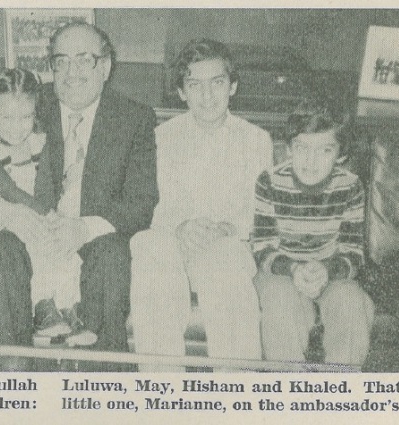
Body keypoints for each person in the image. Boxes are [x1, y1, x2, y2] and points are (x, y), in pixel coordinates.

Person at [0, 23, 158, 371]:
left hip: (91, 235)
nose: (71, 73)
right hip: (27, 227)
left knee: (112, 250)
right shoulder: (27, 102)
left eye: (84, 60)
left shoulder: (133, 118)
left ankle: (101, 383)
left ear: (105, 67)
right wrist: (3, 210)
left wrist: (84, 228)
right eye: (61, 61)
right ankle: (10, 378)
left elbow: (141, 202)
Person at [130, 38, 272, 371]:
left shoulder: (255, 139)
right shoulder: (160, 138)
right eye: (195, 85)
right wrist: (178, 228)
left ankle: (234, 391)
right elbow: (149, 204)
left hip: (225, 246)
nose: (207, 96)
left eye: (217, 83)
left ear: (232, 86)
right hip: (173, 243)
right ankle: (162, 390)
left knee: (224, 257)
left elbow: (259, 209)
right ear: (181, 92)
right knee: (149, 246)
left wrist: (227, 228)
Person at [0, 67, 94, 346]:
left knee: (64, 247)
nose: (17, 126)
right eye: (7, 117)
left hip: (35, 211)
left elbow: (46, 184)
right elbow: (7, 189)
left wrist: (52, 215)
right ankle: (44, 307)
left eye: (26, 117)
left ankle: (70, 308)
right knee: (36, 245)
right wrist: (42, 214)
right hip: (2, 218)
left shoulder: (39, 140)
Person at [252, 101, 374, 365]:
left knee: (353, 302)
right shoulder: (269, 181)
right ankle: (288, 388)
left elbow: (353, 253)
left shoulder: (351, 186)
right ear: (288, 150)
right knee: (280, 300)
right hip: (280, 271)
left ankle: (339, 389)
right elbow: (262, 248)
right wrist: (294, 269)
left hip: (329, 270)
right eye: (302, 148)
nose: (310, 160)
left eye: (324, 150)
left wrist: (326, 270)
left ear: (340, 154)